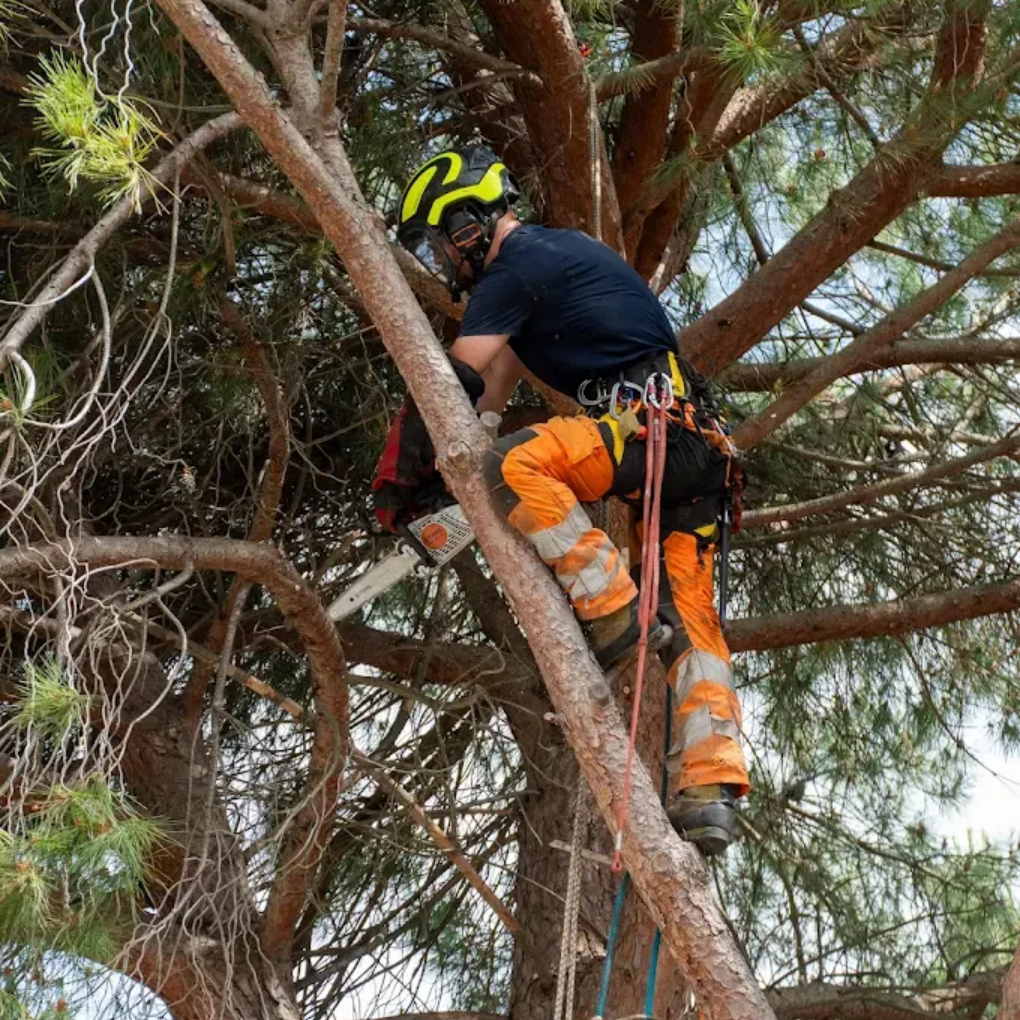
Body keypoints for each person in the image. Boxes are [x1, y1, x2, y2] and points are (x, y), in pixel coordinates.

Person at [373, 145, 749, 855]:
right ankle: (710, 792)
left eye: (435, 242)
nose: (440, 261)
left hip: (656, 430)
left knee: (518, 465)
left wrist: (401, 485)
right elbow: (487, 394)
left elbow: (450, 382)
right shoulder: (543, 267)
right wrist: (450, 486)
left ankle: (610, 613)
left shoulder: (516, 265)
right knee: (686, 615)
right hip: (697, 453)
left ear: (466, 224)